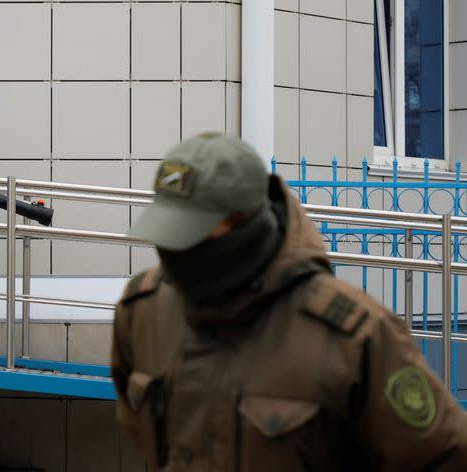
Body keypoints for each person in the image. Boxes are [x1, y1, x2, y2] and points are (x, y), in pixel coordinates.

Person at [112, 132, 467, 470]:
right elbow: (140, 428)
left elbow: (444, 456)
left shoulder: (355, 337)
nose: (175, 249)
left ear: (245, 220)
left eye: (190, 232)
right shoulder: (142, 311)